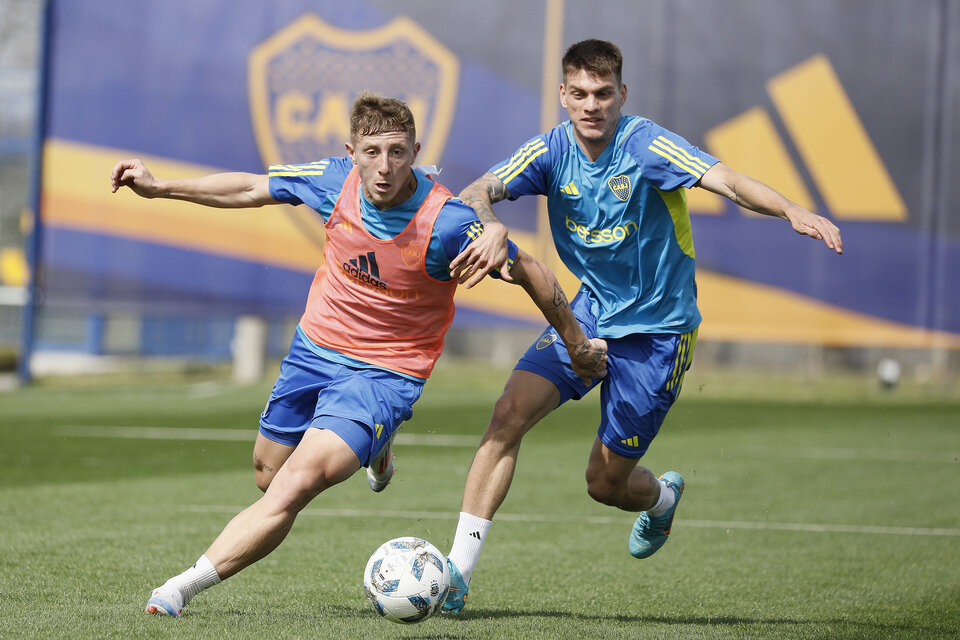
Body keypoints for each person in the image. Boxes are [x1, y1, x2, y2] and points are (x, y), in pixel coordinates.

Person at [110, 92, 608, 618]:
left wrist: (576, 342)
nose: (385, 167)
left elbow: (528, 268)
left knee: (295, 485)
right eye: (372, 152)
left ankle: (180, 587)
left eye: (397, 152)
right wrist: (160, 187)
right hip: (315, 350)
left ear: (415, 150)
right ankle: (379, 448)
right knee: (267, 473)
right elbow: (253, 186)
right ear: (352, 152)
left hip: (385, 373)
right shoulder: (332, 182)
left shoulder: (445, 223)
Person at [440, 39, 844, 613]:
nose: (591, 105)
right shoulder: (551, 150)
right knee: (507, 414)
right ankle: (457, 572)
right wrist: (489, 226)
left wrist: (791, 211)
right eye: (578, 93)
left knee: (604, 485)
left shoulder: (646, 144)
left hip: (659, 333)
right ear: (562, 95)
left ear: (621, 95)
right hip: (588, 313)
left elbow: (727, 180)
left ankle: (661, 498)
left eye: (603, 94)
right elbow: (476, 191)